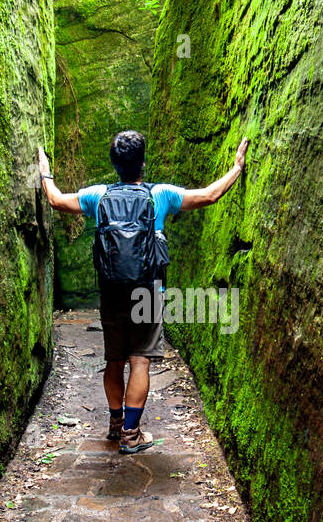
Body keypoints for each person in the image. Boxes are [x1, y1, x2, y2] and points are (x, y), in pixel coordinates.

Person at [38, 130, 249, 454]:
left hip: (111, 290)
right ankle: (131, 434)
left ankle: (115, 424)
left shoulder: (98, 196)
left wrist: (45, 171)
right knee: (139, 361)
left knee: (114, 359)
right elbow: (208, 196)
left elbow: (55, 199)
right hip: (148, 291)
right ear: (143, 163)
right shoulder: (159, 195)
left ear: (114, 164)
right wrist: (236, 168)